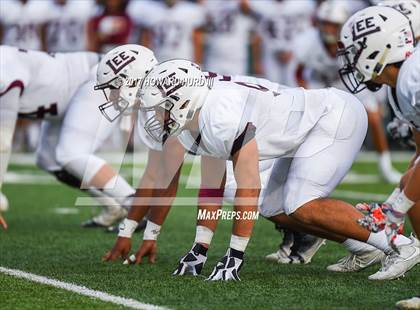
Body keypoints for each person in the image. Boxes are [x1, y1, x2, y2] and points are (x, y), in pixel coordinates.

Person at [129, 58, 419, 281]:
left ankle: (402, 245)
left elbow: (248, 186)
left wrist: (234, 257)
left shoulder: (220, 115)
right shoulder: (197, 116)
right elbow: (211, 186)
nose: (156, 115)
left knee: (300, 204)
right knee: (272, 205)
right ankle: (363, 246)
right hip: (302, 131)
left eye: (161, 107)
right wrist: (199, 249)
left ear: (183, 100)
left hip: (332, 116)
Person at [0, 44, 155, 228]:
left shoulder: (5, 75)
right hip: (64, 96)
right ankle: (114, 207)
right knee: (48, 159)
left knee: (71, 155)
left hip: (98, 79)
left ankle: (136, 206)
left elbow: (3, 141)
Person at [337, 5, 420, 281]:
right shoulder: (399, 86)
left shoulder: (413, 79)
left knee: (413, 193)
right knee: (410, 184)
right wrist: (391, 206)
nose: (350, 62)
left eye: (355, 52)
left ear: (377, 49)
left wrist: (395, 210)